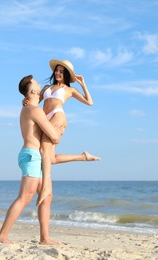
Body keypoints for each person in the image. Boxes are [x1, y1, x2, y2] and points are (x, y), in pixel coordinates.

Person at [0, 75, 63, 245]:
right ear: (33, 90)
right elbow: (54, 137)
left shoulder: (28, 108)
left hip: (33, 156)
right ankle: (2, 236)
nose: (41, 85)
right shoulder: (34, 110)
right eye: (37, 84)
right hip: (32, 156)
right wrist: (58, 130)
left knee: (46, 197)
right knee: (25, 197)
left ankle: (45, 238)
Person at [36, 59, 100, 206]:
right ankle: (83, 156)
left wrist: (83, 84)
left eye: (61, 71)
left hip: (58, 116)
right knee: (49, 158)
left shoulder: (69, 90)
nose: (58, 73)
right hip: (44, 119)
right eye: (57, 70)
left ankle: (45, 186)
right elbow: (35, 102)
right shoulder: (46, 87)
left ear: (66, 74)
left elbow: (89, 102)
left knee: (43, 149)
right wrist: (26, 100)